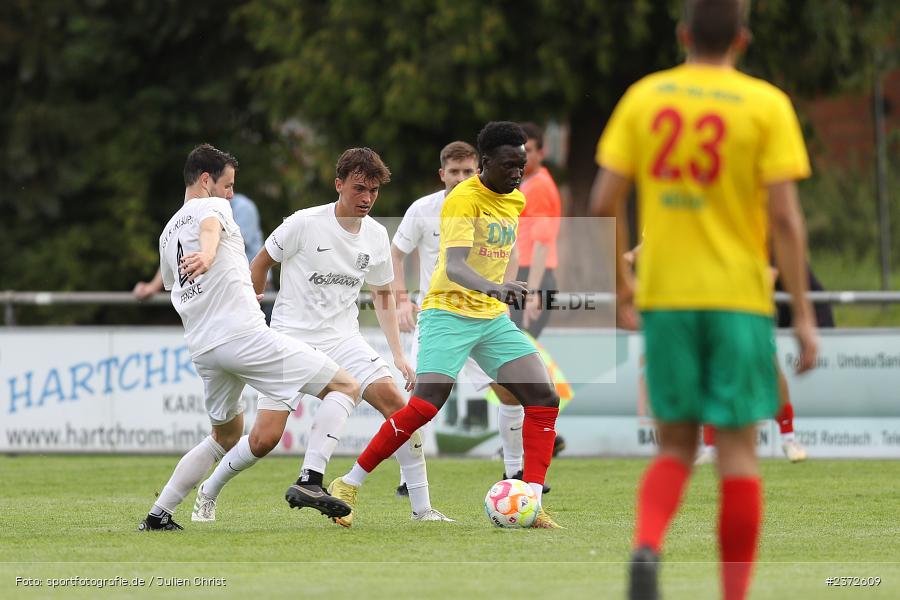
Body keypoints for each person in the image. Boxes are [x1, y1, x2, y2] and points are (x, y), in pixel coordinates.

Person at [591, 1, 819, 598]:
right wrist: (805, 316)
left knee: (674, 445)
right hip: (739, 298)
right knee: (739, 452)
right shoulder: (767, 104)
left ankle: (646, 545)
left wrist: (621, 286)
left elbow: (601, 203)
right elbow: (787, 220)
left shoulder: (645, 96)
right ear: (743, 40)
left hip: (667, 298)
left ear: (683, 33)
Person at [194, 147, 452, 525]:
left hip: (343, 340)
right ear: (339, 184)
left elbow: (382, 294)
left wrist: (398, 355)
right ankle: (209, 491)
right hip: (289, 339)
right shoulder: (303, 223)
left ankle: (421, 509)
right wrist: (251, 308)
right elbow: (262, 260)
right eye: (359, 188)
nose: (366, 198)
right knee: (264, 439)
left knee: (401, 409)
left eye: (374, 191)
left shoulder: (377, 236)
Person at [329, 122, 562, 529]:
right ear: (485, 164)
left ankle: (532, 500)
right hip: (448, 312)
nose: (517, 173)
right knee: (424, 406)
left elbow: (502, 255)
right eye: (509, 165)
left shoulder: (516, 200)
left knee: (544, 397)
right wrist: (497, 288)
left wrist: (502, 292)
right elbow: (454, 267)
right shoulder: (462, 200)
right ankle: (348, 483)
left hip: (489, 316)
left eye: (521, 165)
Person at [138, 144, 352, 531]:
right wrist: (207, 254)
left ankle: (159, 514)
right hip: (242, 336)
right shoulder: (213, 207)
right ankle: (311, 481)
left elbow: (176, 282)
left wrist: (226, 276)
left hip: (204, 349)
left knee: (225, 434)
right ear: (206, 180)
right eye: (228, 185)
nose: (231, 194)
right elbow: (210, 229)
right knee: (345, 386)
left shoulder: (167, 233)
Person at [391, 141, 550, 495]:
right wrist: (402, 299)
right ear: (442, 174)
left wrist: (502, 295)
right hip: (441, 315)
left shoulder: (495, 201)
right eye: (454, 172)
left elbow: (513, 252)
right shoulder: (424, 209)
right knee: (419, 400)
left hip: (484, 315)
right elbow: (396, 253)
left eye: (467, 171)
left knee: (510, 393)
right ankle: (408, 478)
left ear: (478, 168)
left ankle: (515, 471)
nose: (461, 177)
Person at [508, 122, 566, 456]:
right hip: (528, 276)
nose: (522, 156)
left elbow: (543, 241)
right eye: (519, 150)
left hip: (534, 277)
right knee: (520, 362)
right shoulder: (529, 184)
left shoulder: (540, 186)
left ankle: (541, 432)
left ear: (541, 152)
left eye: (528, 150)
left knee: (519, 362)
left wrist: (532, 292)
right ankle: (536, 433)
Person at [133, 192, 275, 322]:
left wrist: (205, 249)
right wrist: (153, 286)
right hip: (223, 292)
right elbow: (179, 253)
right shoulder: (199, 211)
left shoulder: (243, 207)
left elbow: (224, 244)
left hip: (255, 288)